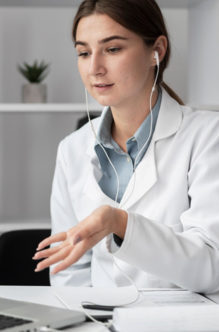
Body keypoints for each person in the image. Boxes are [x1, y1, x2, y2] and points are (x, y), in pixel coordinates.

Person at [32, 0, 219, 294]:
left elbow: (211, 268)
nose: (94, 68)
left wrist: (120, 223)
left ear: (156, 51)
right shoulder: (72, 149)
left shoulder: (208, 136)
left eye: (113, 49)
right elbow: (69, 273)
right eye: (84, 53)